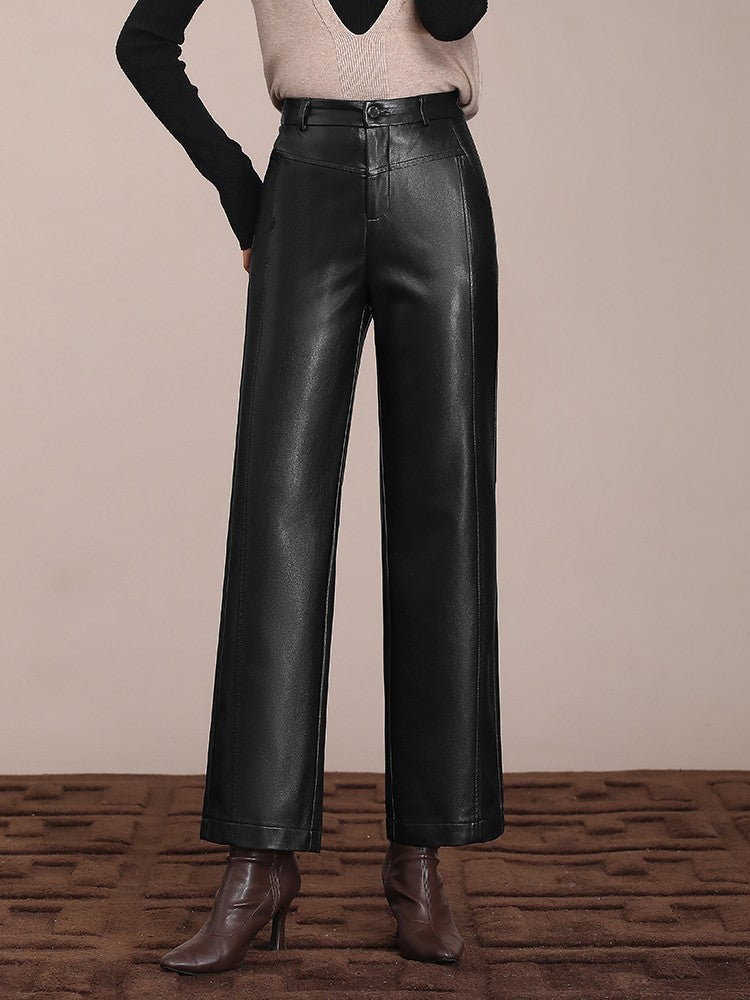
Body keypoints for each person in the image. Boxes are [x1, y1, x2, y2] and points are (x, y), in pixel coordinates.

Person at [115, 0, 504, 973]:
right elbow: (143, 43)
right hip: (307, 180)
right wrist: (237, 184)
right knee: (275, 518)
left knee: (443, 511)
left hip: (436, 179)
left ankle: (420, 859)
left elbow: (452, 12)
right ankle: (259, 860)